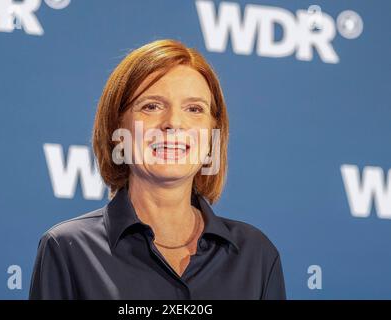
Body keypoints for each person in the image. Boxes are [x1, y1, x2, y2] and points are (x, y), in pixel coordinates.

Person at [29, 39, 286, 299]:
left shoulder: (256, 255)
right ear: (117, 130)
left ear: (213, 134)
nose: (173, 122)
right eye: (151, 106)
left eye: (194, 109)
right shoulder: (67, 249)